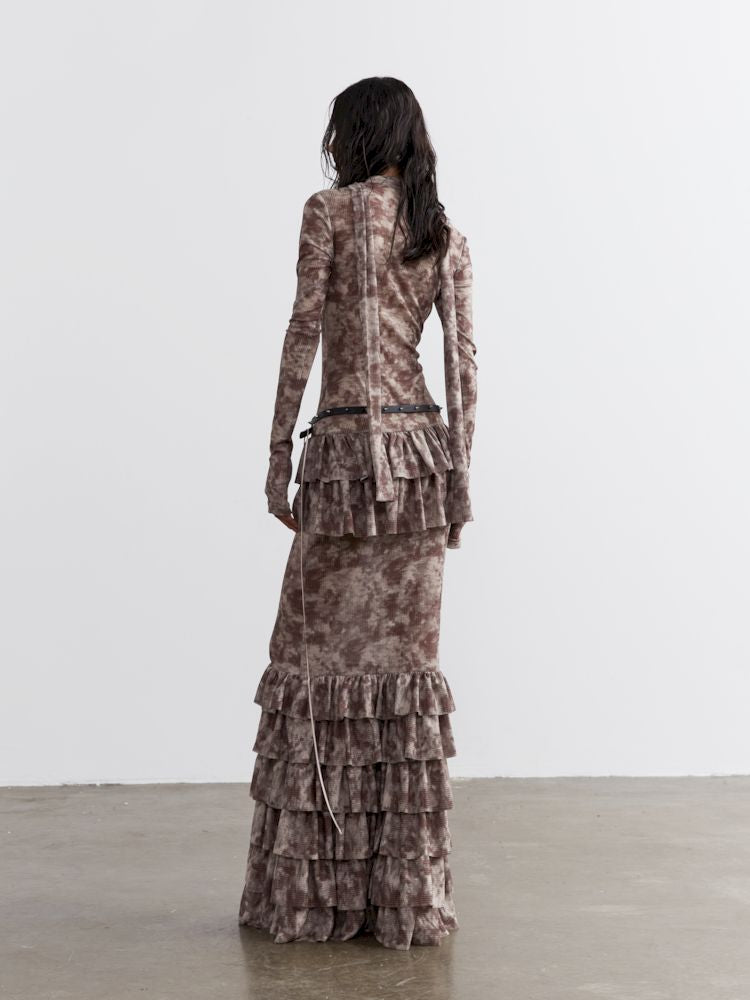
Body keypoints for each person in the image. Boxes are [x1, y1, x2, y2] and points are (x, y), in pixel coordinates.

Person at [237, 76, 477, 950]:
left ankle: (312, 899)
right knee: (403, 687)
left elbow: (302, 332)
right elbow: (462, 366)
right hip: (418, 468)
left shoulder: (329, 215)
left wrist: (277, 455)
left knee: (312, 674)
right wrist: (458, 483)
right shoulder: (439, 232)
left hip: (340, 466)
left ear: (357, 134)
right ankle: (399, 902)